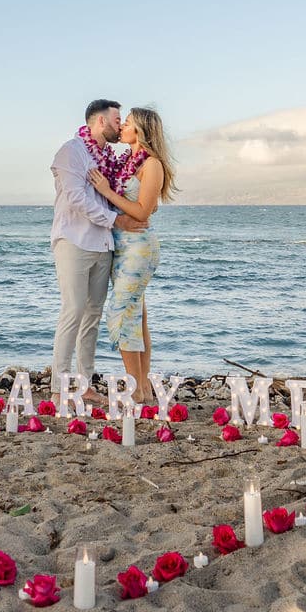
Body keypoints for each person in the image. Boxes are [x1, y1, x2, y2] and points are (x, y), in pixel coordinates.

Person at [50, 99, 143, 395]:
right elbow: (77, 198)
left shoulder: (108, 157)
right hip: (75, 240)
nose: (121, 125)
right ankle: (59, 385)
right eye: (117, 119)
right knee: (73, 310)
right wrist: (115, 220)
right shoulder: (71, 151)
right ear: (100, 121)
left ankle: (85, 383)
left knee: (92, 316)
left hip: (103, 245)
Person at [89, 106, 176, 405]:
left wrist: (106, 191)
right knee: (137, 316)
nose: (121, 127)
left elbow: (142, 210)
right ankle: (144, 388)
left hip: (139, 246)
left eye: (126, 123)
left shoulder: (152, 165)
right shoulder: (127, 161)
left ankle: (136, 389)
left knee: (122, 314)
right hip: (120, 244)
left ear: (139, 130)